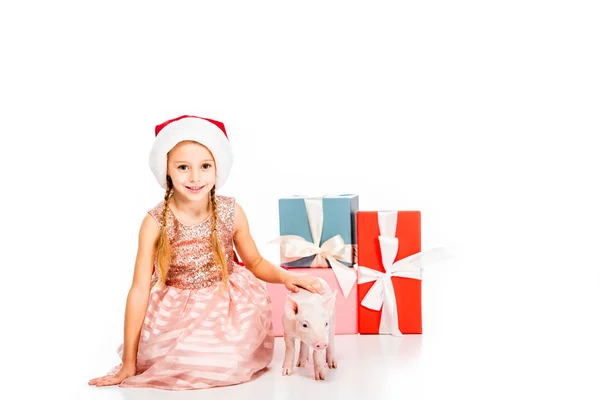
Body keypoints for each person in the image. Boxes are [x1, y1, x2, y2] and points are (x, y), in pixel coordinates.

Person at [88, 115, 325, 390]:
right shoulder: (155, 222)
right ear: (166, 170)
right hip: (176, 307)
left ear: (217, 168)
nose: (195, 177)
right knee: (179, 362)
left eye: (205, 166)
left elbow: (256, 261)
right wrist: (129, 362)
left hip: (225, 306)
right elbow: (139, 289)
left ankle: (223, 347)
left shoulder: (230, 212)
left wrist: (284, 277)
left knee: (227, 360)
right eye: (183, 167)